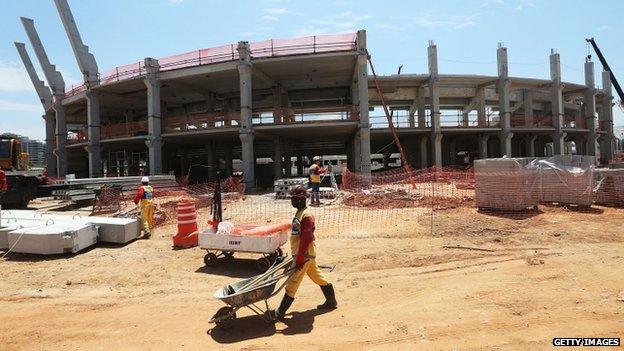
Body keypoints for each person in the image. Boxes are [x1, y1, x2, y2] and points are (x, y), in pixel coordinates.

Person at [270, 185, 337, 320]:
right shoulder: (300, 213)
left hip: (304, 255)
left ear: (301, 200)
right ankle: (331, 302)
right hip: (306, 254)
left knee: (293, 282)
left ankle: (280, 312)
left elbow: (306, 237)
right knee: (318, 276)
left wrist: (300, 257)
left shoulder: (306, 215)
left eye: (293, 198)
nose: (291, 201)